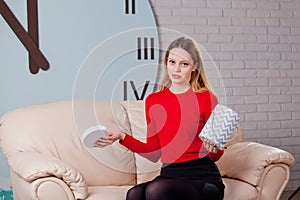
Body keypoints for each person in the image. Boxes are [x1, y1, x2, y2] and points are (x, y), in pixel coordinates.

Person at [95, 36, 225, 200]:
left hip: (202, 177)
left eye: (183, 64)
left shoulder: (206, 98)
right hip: (170, 175)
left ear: (194, 67)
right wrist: (122, 137)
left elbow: (216, 153)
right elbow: (154, 153)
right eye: (172, 62)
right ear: (166, 63)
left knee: (156, 190)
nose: (176, 69)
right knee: (134, 194)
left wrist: (216, 149)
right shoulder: (154, 101)